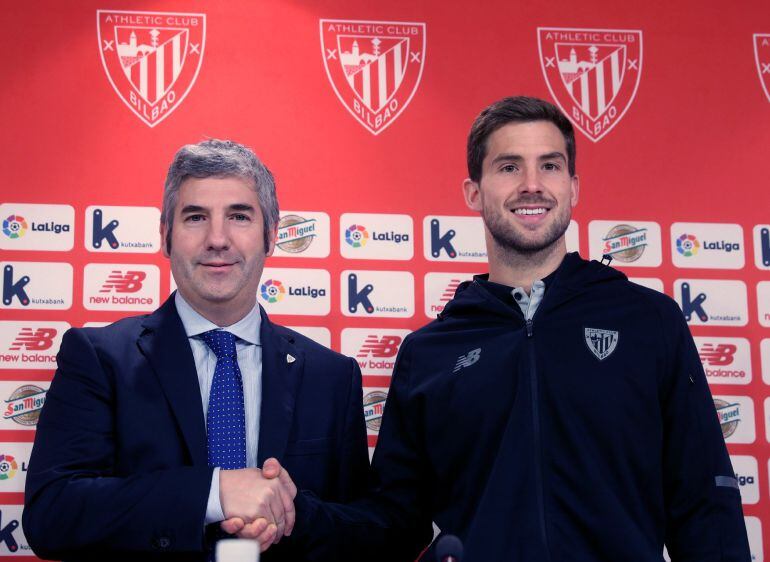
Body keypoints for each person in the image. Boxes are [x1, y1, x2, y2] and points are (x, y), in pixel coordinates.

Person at [259, 96, 752, 561]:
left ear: (574, 188)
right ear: (474, 193)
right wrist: (300, 514)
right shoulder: (428, 353)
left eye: (549, 166)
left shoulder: (649, 322)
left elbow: (705, 504)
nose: (531, 185)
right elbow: (395, 524)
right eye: (509, 167)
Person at [23, 140, 369, 561]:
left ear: (271, 236)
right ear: (165, 237)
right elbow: (52, 515)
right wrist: (214, 493)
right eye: (195, 217)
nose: (217, 239)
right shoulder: (98, 359)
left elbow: (367, 534)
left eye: (239, 216)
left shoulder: (332, 376)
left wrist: (290, 512)